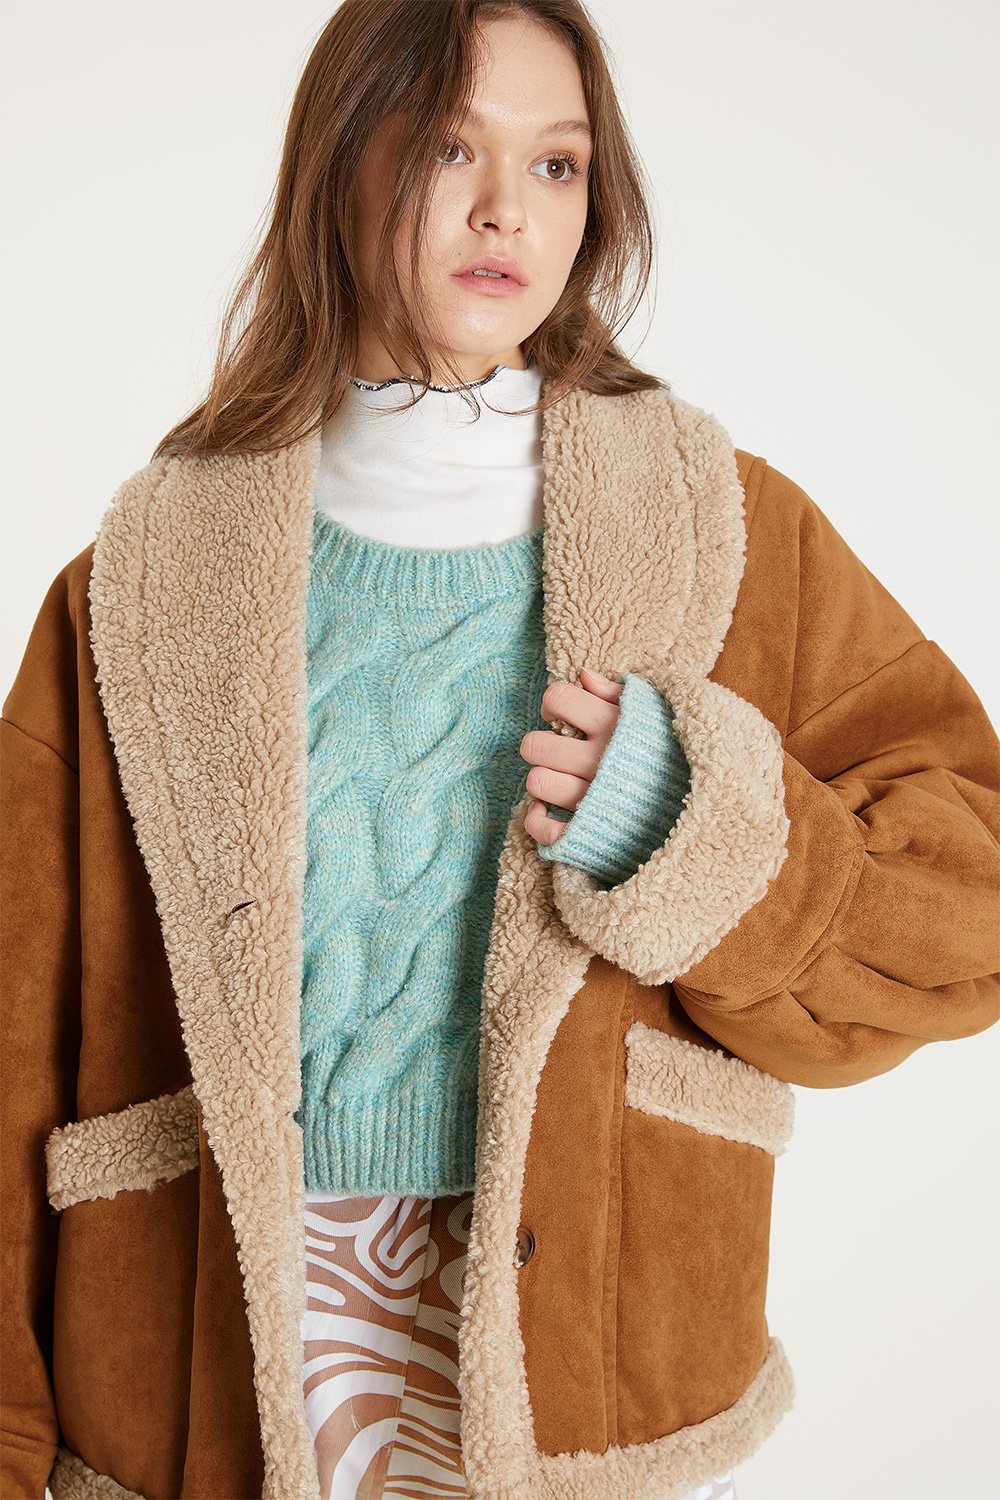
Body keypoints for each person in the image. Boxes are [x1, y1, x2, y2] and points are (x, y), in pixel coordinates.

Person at [1, 1, 997, 1498]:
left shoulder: (723, 528)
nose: (502, 212)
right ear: (340, 162)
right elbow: (12, 1031)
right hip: (217, 1317)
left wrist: (694, 831)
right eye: (446, 147)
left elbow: (969, 904)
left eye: (555, 164)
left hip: (582, 1330)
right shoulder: (143, 579)